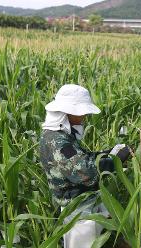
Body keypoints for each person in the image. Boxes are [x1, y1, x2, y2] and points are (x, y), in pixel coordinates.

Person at [40, 84, 130, 248]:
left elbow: (79, 158)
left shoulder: (60, 135)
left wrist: (105, 153)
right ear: (68, 112)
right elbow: (84, 171)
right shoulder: (57, 141)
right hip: (76, 208)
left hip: (80, 203)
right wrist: (115, 161)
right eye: (82, 112)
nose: (85, 115)